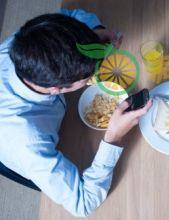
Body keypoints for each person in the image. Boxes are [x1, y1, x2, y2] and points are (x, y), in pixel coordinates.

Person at [0, 9, 151, 217]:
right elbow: (83, 204)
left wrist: (94, 31)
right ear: (57, 89)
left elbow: (70, 15)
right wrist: (113, 138)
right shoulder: (28, 141)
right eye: (88, 75)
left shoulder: (26, 40)